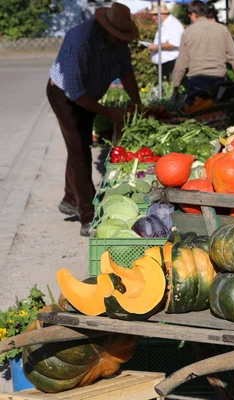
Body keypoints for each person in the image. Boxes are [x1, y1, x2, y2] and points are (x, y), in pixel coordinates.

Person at [47, 3, 142, 237]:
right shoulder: (79, 41)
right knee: (80, 152)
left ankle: (71, 198)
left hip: (88, 95)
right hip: (64, 95)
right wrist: (108, 112)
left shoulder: (118, 43)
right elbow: (74, 92)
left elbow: (127, 72)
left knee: (79, 147)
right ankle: (87, 217)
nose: (120, 40)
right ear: (105, 28)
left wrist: (138, 104)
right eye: (117, 35)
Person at [171, 1, 234, 100]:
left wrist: (176, 86)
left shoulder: (188, 32)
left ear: (193, 14)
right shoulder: (222, 29)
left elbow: (181, 63)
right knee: (219, 112)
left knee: (196, 112)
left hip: (196, 80)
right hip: (219, 79)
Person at [147, 3, 184, 80]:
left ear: (163, 14)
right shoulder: (165, 24)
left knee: (169, 87)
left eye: (155, 15)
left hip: (170, 64)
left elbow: (174, 44)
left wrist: (157, 47)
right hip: (165, 64)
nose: (153, 17)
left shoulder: (173, 24)